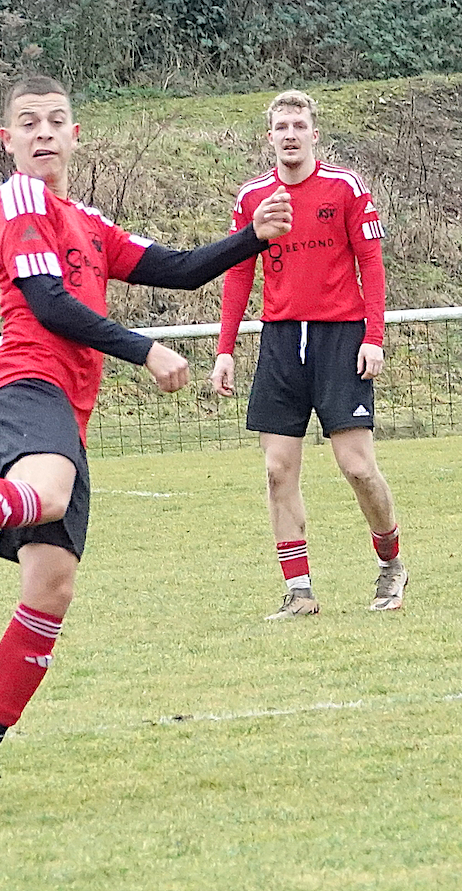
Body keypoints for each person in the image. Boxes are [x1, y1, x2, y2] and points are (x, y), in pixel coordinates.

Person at [0, 75, 293, 816]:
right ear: (8, 140)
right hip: (24, 384)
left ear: (76, 135)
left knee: (50, 590)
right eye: (29, 123)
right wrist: (146, 350)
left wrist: (254, 236)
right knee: (49, 493)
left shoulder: (85, 219)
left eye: (57, 121)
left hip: (66, 411)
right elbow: (49, 305)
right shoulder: (19, 198)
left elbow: (178, 269)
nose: (44, 133)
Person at [210, 89, 408, 620]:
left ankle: (390, 562)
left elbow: (372, 264)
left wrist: (373, 336)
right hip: (280, 342)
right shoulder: (253, 198)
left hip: (340, 339)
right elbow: (238, 273)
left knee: (357, 467)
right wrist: (225, 349)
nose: (290, 135)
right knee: (278, 470)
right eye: (282, 127)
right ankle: (299, 592)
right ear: (269, 137)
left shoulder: (345, 188)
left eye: (299, 126)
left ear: (314, 134)